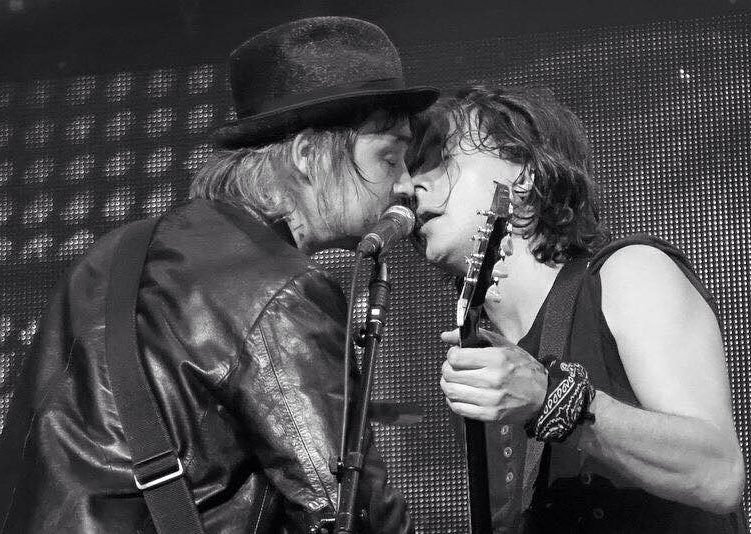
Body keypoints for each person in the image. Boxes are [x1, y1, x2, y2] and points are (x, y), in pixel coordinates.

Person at [0, 17, 437, 533]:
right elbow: (345, 508)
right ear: (306, 156)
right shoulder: (281, 289)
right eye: (390, 157)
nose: (406, 183)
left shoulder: (115, 253)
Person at [407, 85, 746, 533]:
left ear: (523, 176)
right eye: (410, 169)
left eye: (440, 160)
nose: (411, 186)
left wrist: (553, 399)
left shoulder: (629, 272)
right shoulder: (476, 354)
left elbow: (719, 474)